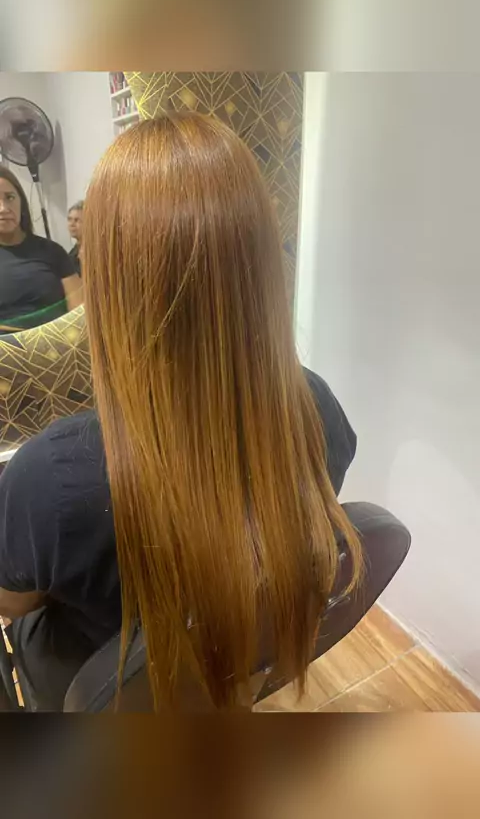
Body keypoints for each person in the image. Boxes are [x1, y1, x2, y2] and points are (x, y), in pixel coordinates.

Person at [0, 114, 362, 711]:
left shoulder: (48, 478)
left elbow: (12, 601)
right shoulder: (317, 406)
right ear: (261, 264)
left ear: (107, 279)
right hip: (234, 667)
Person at [0, 166, 83, 330]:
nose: (3, 208)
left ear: (22, 203)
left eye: (10, 197)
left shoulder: (53, 252)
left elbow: (79, 313)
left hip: (56, 343)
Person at [67, 200, 83, 277]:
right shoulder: (72, 254)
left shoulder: (98, 252)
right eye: (69, 219)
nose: (72, 224)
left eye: (77, 220)